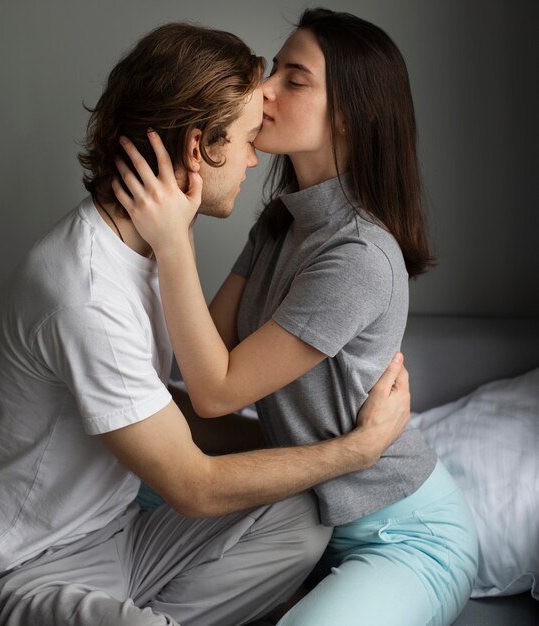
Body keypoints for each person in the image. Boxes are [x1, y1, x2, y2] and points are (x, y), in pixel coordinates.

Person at [0, 22, 412, 626]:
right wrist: (357, 450)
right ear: (195, 151)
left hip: (117, 539)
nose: (254, 155)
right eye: (243, 140)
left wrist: (298, 458)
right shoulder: (85, 293)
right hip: (16, 574)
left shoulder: (150, 246)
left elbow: (164, 412)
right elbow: (194, 485)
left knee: (300, 515)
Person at [113, 8, 479, 626]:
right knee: (129, 480)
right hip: (299, 515)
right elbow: (199, 357)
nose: (264, 90)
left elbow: (215, 390)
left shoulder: (360, 255)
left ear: (350, 114)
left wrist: (175, 241)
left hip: (403, 536)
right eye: (273, 69)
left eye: (294, 78)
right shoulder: (280, 224)